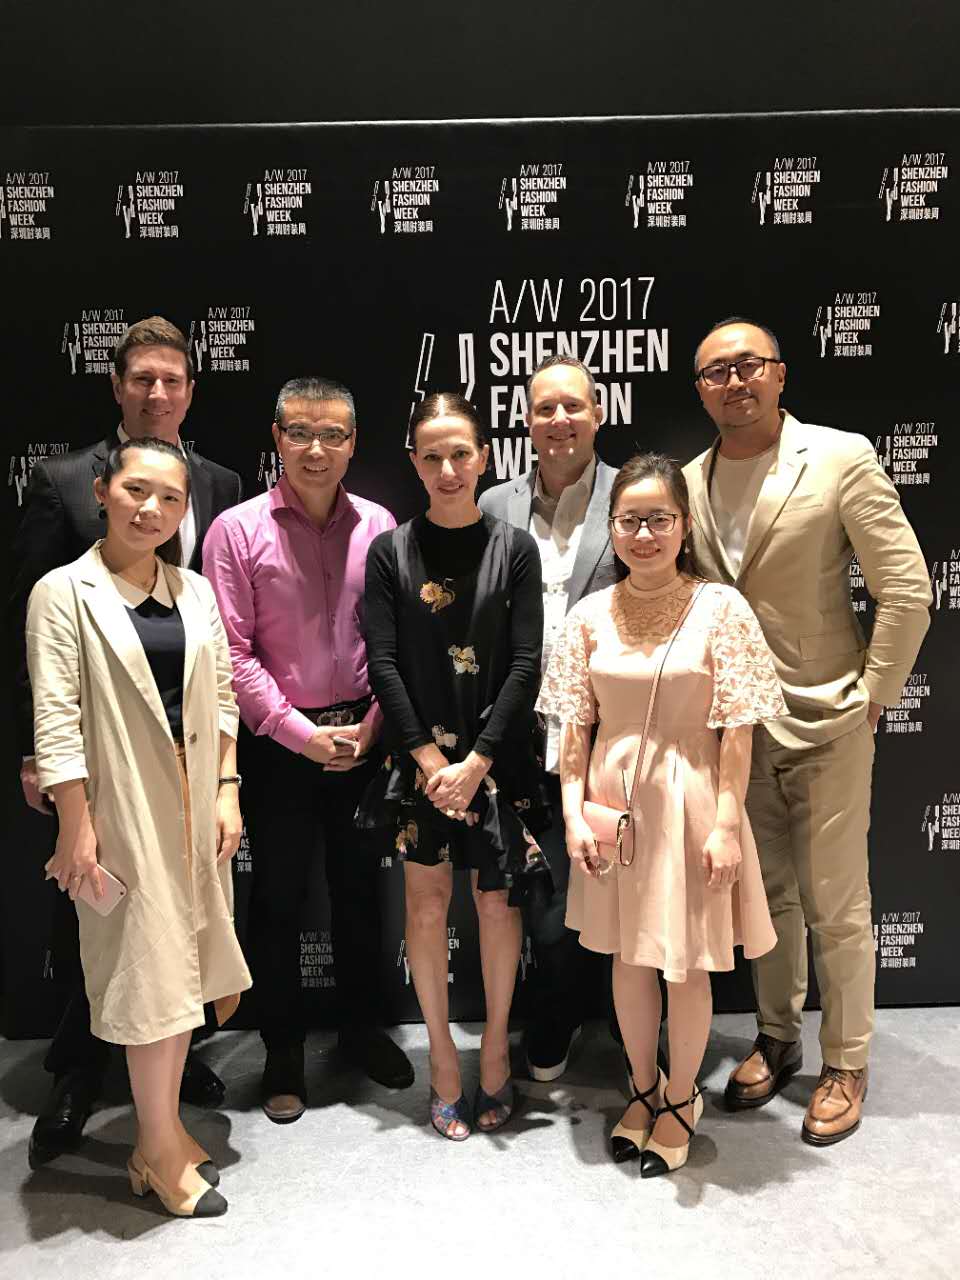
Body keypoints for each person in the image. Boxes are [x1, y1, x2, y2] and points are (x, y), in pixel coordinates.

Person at [684, 316, 931, 1145]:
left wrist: (873, 694)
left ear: (780, 374)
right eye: (716, 372)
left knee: (838, 904)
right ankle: (777, 1037)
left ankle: (848, 1060)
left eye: (748, 365)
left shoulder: (839, 457)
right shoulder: (687, 481)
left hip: (829, 718)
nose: (734, 382)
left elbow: (906, 587)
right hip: (737, 730)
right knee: (768, 898)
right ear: (700, 391)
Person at [9, 316, 242, 1169]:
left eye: (172, 380)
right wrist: (51, 775)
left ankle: (162, 1100)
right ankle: (85, 1075)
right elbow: (42, 665)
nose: (157, 393)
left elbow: (219, 681)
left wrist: (227, 785)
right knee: (108, 935)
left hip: (189, 776)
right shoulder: (62, 490)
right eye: (142, 378)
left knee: (180, 941)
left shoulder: (216, 492)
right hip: (105, 771)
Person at [537, 452, 786, 1177]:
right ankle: (642, 1090)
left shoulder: (721, 608)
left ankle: (682, 1099)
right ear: (612, 528)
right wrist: (573, 815)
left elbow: (738, 729)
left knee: (685, 962)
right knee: (627, 954)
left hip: (693, 799)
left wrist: (727, 824)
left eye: (658, 519)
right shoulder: (589, 616)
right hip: (612, 805)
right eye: (629, 521)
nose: (643, 535)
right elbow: (574, 727)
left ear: (683, 526)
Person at [203, 376, 413, 1124]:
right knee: (279, 901)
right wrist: (300, 734)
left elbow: (393, 640)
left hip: (364, 738)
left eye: (332, 435)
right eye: (299, 432)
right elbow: (230, 654)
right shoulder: (235, 531)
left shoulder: (379, 524)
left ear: (353, 443)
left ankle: (360, 1032)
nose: (315, 449)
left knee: (360, 894)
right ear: (276, 439)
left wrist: (373, 727)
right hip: (277, 747)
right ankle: (283, 1050)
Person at [357, 393, 549, 1140]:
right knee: (428, 905)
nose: (447, 469)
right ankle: (442, 1057)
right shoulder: (389, 552)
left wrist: (478, 761)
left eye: (460, 454)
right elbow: (383, 663)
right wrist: (431, 759)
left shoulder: (516, 548)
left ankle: (494, 1050)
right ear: (413, 462)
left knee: (499, 904)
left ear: (485, 458)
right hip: (420, 764)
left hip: (498, 758)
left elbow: (526, 662)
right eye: (432, 456)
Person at [478, 355, 621, 1082]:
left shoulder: (637, 494)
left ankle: (633, 1019)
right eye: (544, 408)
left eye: (573, 405)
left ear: (598, 412)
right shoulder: (493, 504)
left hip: (618, 728)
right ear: (526, 421)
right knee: (548, 888)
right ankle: (559, 1009)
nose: (560, 420)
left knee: (628, 875)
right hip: (525, 729)